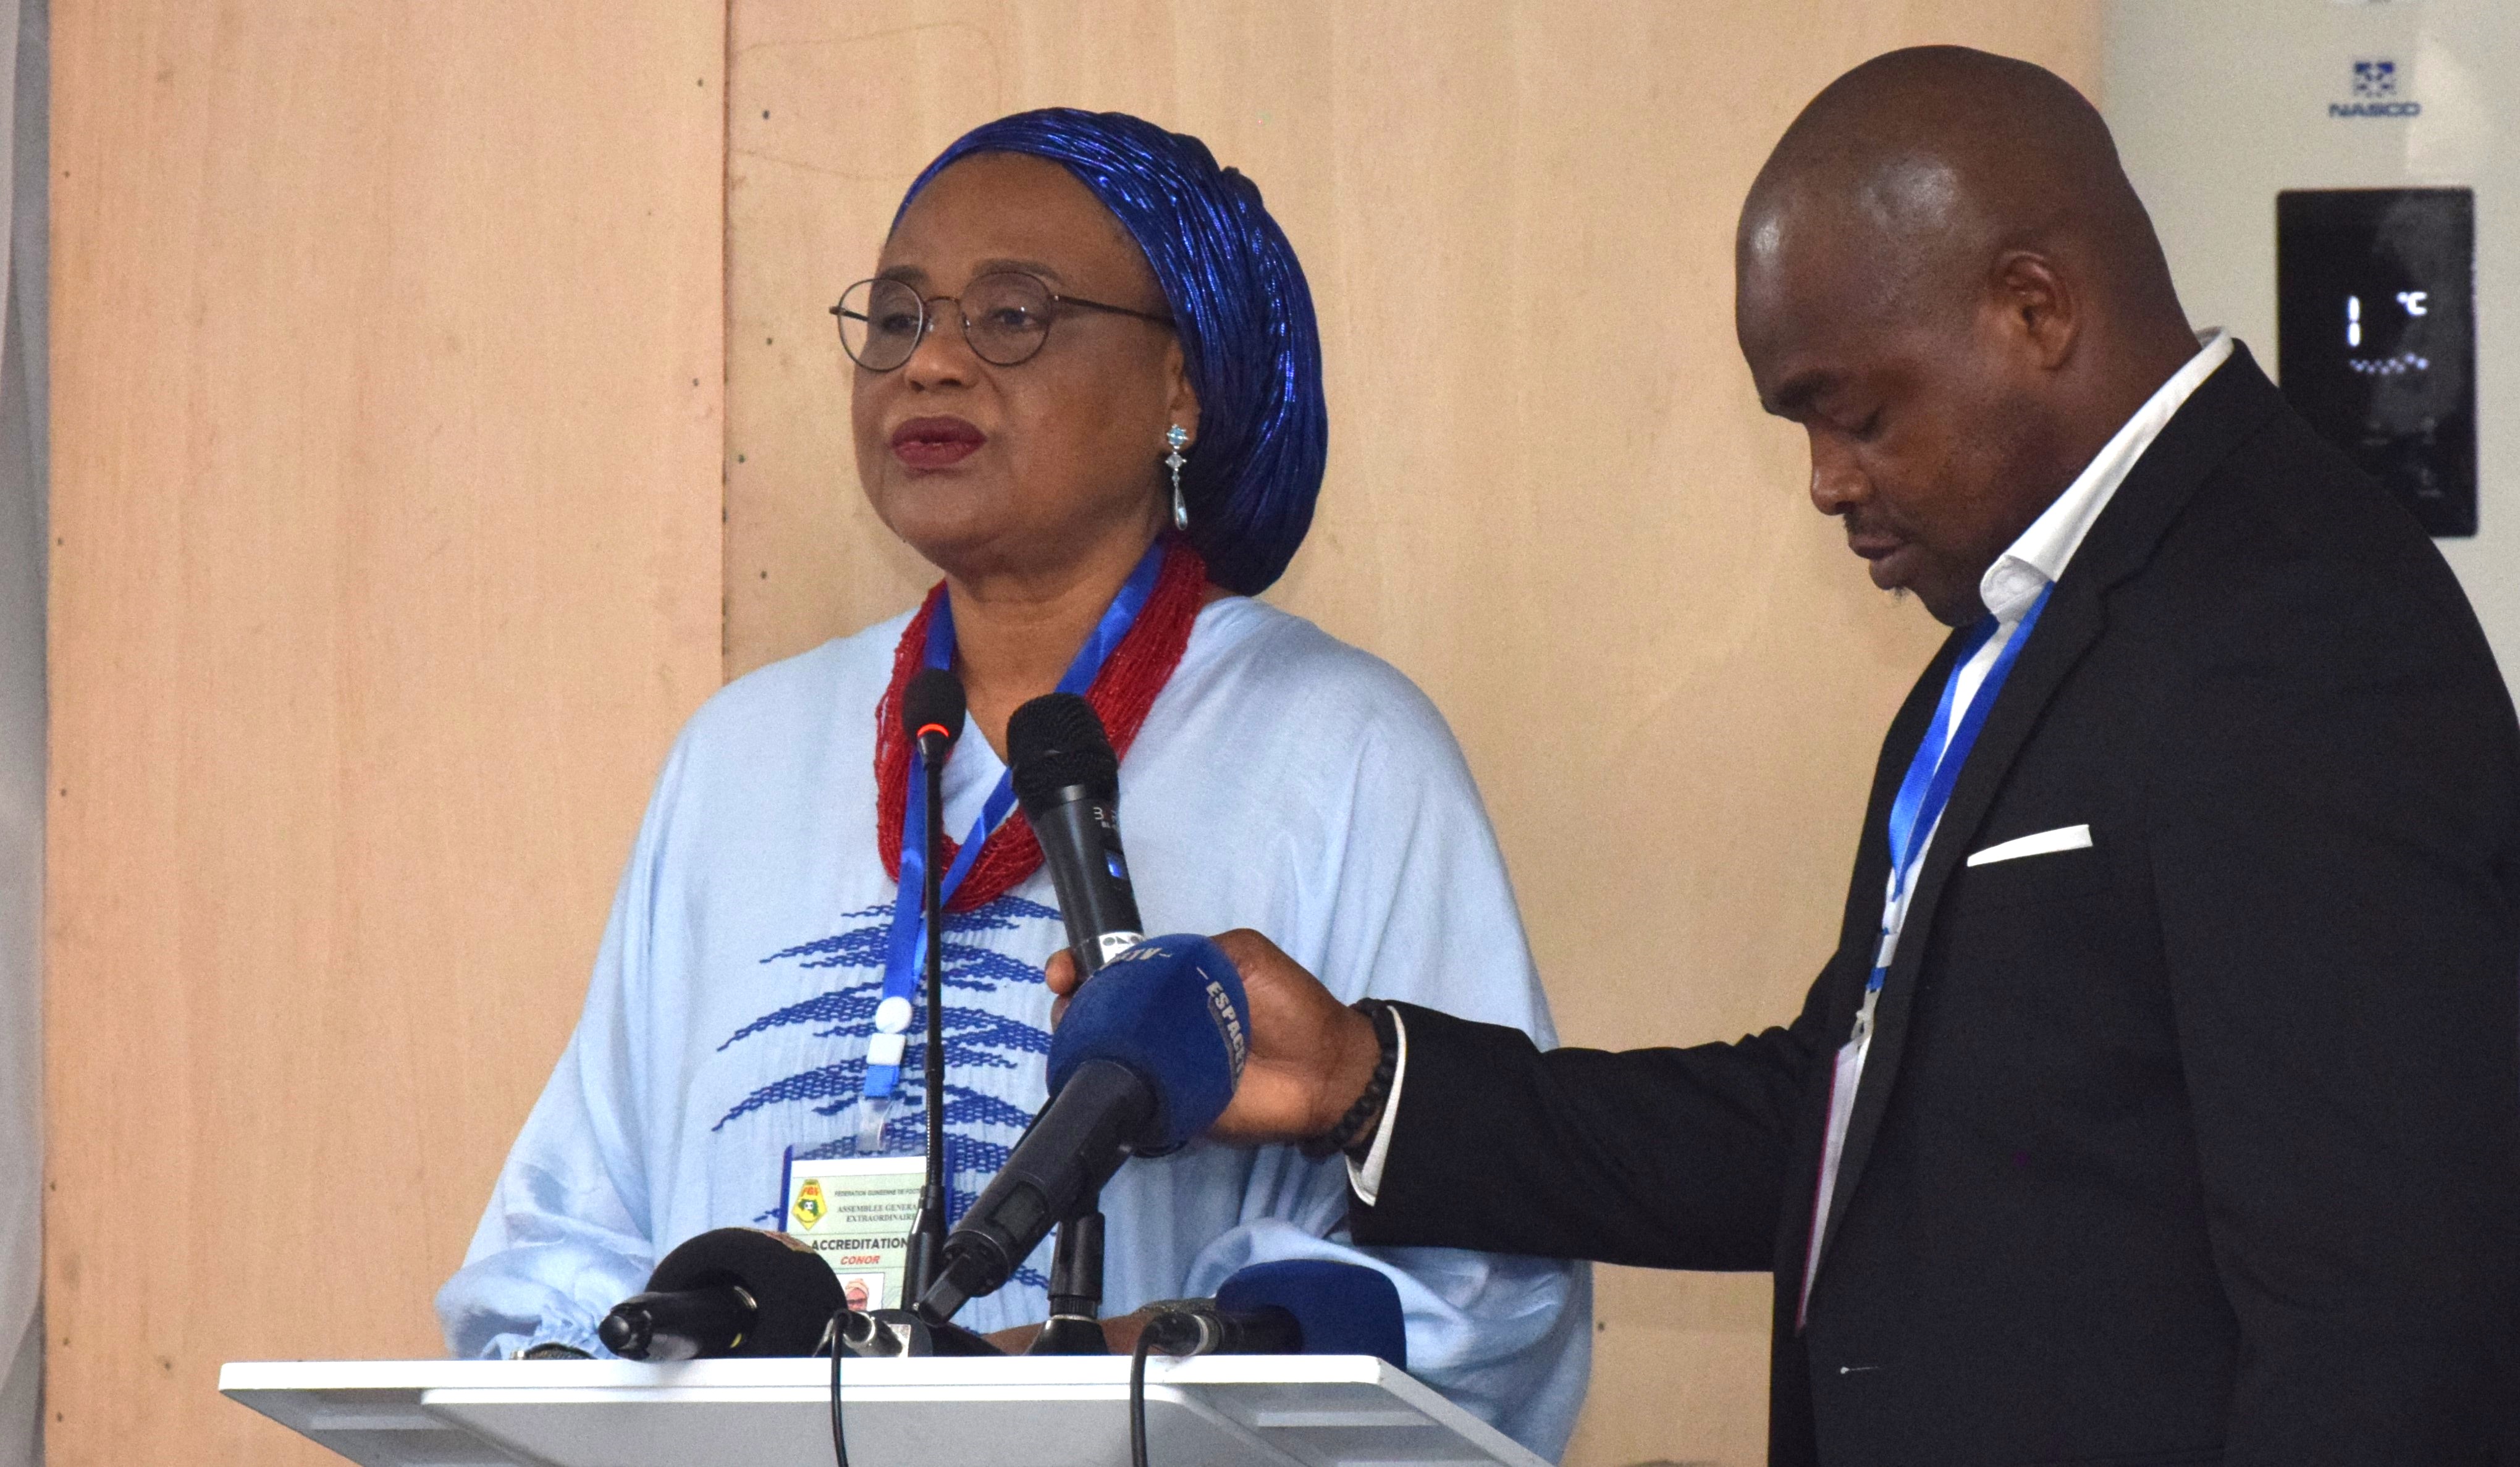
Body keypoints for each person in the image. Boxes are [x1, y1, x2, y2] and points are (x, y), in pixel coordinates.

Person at [1112, 49, 2520, 1465]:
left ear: (2035, 307)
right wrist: (1368, 1079)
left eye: (1859, 415)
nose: (1828, 482)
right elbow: (1839, 1125)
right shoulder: (2005, 644)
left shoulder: (2295, 622)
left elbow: (2391, 1314)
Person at [436, 108, 1590, 1455]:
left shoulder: (1341, 747)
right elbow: (566, 1229)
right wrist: (613, 1356)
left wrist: (1100, 1366)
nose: (929, 362)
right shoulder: (741, 753)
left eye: (1013, 316)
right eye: (897, 317)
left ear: (1180, 388)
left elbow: (1481, 1277)